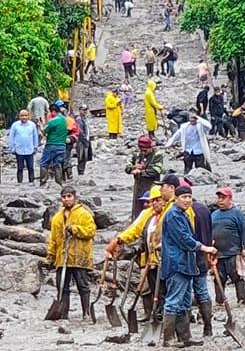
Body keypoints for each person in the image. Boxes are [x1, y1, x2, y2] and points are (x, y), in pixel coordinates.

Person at [106, 185, 175, 333]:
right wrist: (121, 241)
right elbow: (136, 231)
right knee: (153, 290)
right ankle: (155, 316)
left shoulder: (171, 213)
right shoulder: (149, 216)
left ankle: (172, 321)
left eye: (158, 200)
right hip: (152, 260)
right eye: (153, 201)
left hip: (168, 260)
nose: (155, 203)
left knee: (167, 292)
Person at [158, 186, 215, 348]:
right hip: (177, 264)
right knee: (173, 301)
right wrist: (204, 248)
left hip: (186, 264)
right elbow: (184, 239)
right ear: (175, 198)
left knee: (184, 302)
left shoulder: (182, 215)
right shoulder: (173, 215)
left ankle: (185, 336)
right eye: (183, 197)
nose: (187, 200)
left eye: (189, 197)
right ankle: (168, 338)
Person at [45, 186, 99, 323]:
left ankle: (86, 312)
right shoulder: (57, 218)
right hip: (62, 257)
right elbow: (53, 239)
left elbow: (91, 231)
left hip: (79, 256)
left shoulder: (83, 214)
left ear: (75, 197)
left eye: (69, 196)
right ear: (61, 199)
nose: (66, 199)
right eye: (64, 197)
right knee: (62, 286)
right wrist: (50, 256)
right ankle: (64, 314)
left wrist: (75, 229)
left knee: (83, 285)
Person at [210, 186, 245, 305]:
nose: (220, 200)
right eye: (219, 198)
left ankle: (241, 300)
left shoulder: (237, 213)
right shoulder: (214, 215)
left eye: (223, 198)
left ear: (230, 199)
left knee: (237, 277)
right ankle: (220, 301)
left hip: (233, 252)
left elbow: (244, 231)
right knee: (218, 278)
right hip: (218, 254)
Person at [126, 134, 163, 215]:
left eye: (145, 150)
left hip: (152, 186)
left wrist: (140, 172)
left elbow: (156, 170)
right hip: (138, 186)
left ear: (150, 147)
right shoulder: (137, 154)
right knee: (137, 208)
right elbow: (127, 167)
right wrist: (133, 167)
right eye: (141, 150)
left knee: (151, 208)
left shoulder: (157, 155)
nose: (143, 152)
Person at [5, 109, 41, 186]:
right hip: (19, 149)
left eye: (25, 115)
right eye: (22, 115)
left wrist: (35, 147)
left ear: (28, 116)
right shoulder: (15, 125)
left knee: (30, 167)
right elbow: (11, 137)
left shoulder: (32, 125)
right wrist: (12, 148)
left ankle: (31, 181)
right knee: (20, 167)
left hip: (29, 149)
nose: (24, 117)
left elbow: (35, 137)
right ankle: (19, 182)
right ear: (19, 116)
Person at [40, 102, 72, 185]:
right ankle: (59, 182)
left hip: (52, 144)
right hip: (62, 145)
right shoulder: (64, 120)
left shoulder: (53, 121)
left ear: (53, 111)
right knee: (57, 164)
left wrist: (40, 125)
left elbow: (43, 131)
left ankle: (43, 182)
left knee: (44, 163)